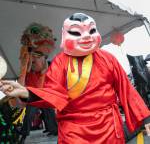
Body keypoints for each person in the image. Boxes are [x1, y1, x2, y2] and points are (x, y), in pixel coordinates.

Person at [1, 13, 150, 144]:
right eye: (76, 32)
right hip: (74, 130)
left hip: (108, 127)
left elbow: (127, 90)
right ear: (65, 34)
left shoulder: (108, 59)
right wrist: (25, 92)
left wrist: (145, 119)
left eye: (91, 31)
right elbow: (53, 94)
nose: (86, 36)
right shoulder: (60, 62)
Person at [17, 23, 58, 143]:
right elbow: (22, 81)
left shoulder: (49, 65)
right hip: (33, 93)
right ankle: (24, 133)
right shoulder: (27, 59)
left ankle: (53, 129)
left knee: (49, 112)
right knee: (30, 113)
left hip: (44, 92)